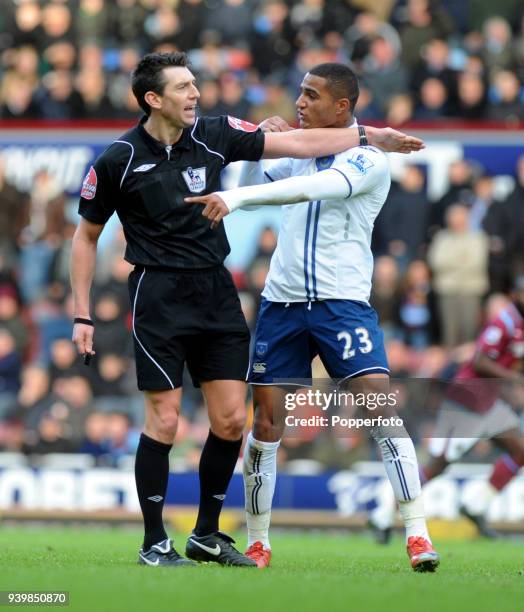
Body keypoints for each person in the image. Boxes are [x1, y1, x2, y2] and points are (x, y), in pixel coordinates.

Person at [70, 52, 422, 568]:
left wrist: (372, 136)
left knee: (233, 420)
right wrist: (82, 314)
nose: (195, 93)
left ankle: (207, 534)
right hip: (158, 295)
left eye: (195, 84)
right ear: (153, 98)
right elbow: (86, 238)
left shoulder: (214, 133)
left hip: (216, 290)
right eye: (183, 87)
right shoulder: (118, 158)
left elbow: (299, 142)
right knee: (165, 421)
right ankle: (153, 541)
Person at [185, 62, 439, 572]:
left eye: (312, 94)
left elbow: (306, 191)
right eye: (300, 91)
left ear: (342, 107)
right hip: (281, 305)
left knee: (378, 411)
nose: (299, 102)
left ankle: (416, 532)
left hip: (342, 304)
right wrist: (260, 143)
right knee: (268, 423)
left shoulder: (369, 160)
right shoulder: (297, 150)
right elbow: (261, 180)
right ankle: (258, 542)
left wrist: (232, 199)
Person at [370, 276, 524, 541]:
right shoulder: (505, 321)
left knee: (519, 450)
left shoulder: (518, 323)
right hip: (467, 400)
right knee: (437, 466)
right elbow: (479, 360)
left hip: (488, 402)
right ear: (515, 294)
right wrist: (511, 379)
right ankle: (382, 516)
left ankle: (476, 505)